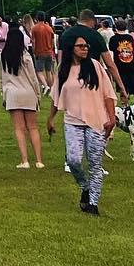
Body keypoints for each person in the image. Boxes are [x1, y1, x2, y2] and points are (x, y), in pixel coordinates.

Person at [47, 34, 116, 215]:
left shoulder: (95, 66)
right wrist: (51, 118)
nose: (85, 48)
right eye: (80, 46)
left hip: (96, 121)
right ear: (71, 48)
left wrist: (111, 118)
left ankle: (93, 203)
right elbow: (56, 97)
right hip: (72, 121)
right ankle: (84, 187)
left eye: (86, 46)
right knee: (73, 160)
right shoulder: (63, 69)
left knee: (95, 163)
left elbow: (107, 94)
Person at [0, 27, 45, 169]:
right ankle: (39, 160)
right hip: (28, 93)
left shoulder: (2, 56)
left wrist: (3, 95)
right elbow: (33, 78)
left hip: (12, 94)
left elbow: (1, 79)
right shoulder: (26, 56)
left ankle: (24, 160)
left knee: (19, 128)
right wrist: (38, 95)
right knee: (33, 127)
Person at [30, 14, 56, 85]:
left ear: (37, 18)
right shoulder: (49, 28)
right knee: (48, 71)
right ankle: (51, 87)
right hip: (49, 52)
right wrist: (51, 50)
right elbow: (52, 41)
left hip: (39, 52)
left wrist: (34, 51)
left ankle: (45, 85)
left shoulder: (34, 28)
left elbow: (33, 41)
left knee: (39, 71)